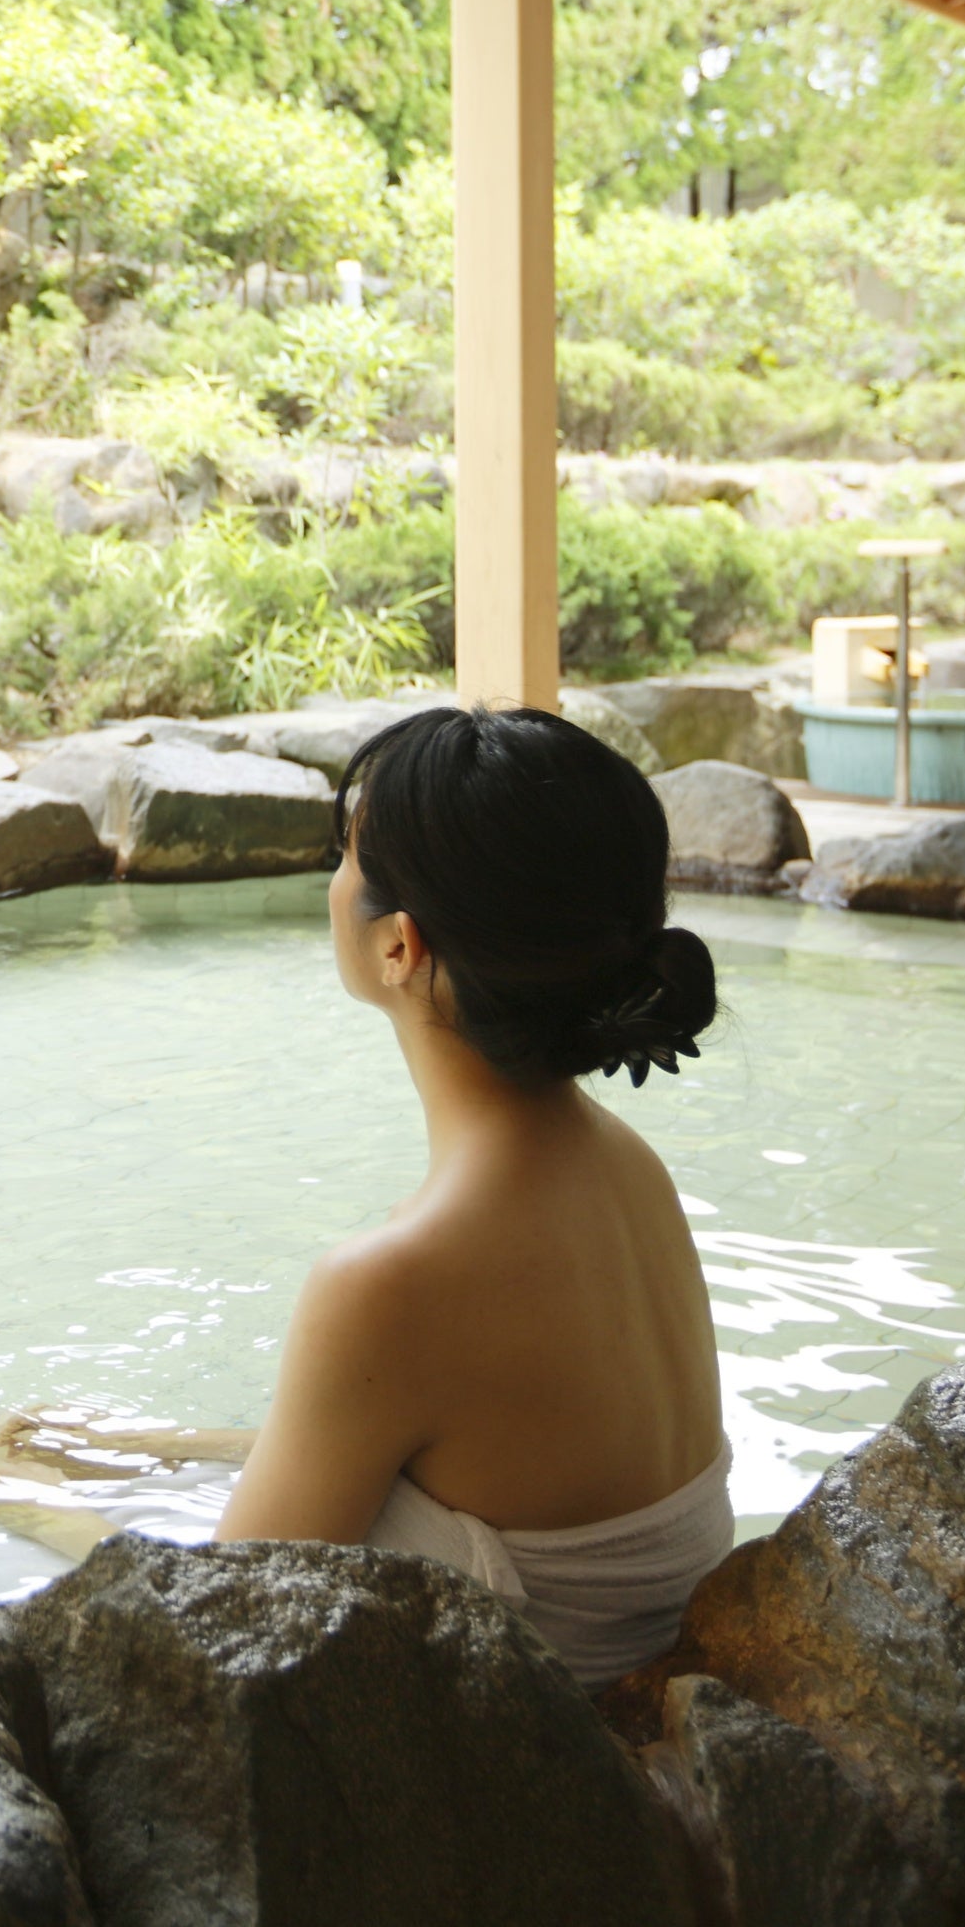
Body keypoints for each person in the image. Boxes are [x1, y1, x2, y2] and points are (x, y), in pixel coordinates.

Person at [212, 703, 731, 1689]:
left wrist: (25, 1513)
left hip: (522, 1753)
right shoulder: (628, 1168)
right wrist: (135, 1452)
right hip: (649, 1697)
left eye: (344, 855)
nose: (333, 881)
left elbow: (219, 1623)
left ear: (399, 945)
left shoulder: (394, 1281)